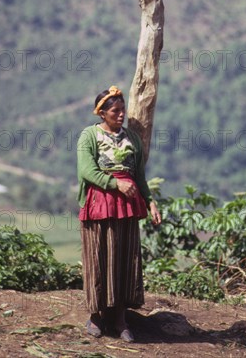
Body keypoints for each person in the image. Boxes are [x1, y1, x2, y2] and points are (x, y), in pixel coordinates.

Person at [77, 85, 161, 343]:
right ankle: (96, 316)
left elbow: (139, 176)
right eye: (115, 111)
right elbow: (87, 171)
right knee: (98, 257)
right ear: (102, 113)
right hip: (99, 203)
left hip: (127, 205)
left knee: (125, 258)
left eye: (123, 110)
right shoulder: (89, 136)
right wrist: (116, 184)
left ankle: (120, 319)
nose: (121, 115)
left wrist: (150, 201)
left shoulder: (132, 139)